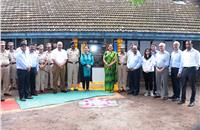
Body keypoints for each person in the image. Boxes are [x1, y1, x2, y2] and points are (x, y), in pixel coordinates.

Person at [178, 41, 200, 107]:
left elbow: (199, 62)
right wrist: (180, 71)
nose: (187, 45)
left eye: (189, 44)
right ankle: (182, 99)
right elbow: (181, 63)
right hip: (184, 69)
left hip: (192, 69)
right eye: (186, 44)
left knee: (192, 86)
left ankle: (192, 101)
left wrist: (195, 69)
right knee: (183, 85)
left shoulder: (196, 52)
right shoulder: (183, 52)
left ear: (192, 44)